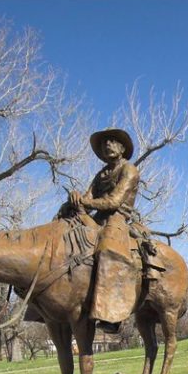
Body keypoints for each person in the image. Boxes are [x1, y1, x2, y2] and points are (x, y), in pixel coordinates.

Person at [59, 128, 141, 331]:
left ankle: (111, 315)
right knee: (67, 239)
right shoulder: (101, 174)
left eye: (112, 141)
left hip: (117, 218)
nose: (107, 145)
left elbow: (114, 201)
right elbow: (88, 198)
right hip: (97, 217)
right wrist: (76, 199)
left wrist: (87, 201)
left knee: (106, 251)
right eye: (105, 143)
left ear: (122, 148)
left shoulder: (129, 170)